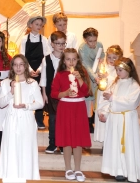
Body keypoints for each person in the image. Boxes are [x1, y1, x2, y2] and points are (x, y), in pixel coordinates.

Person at [0, 54, 43, 181]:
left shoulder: (32, 83)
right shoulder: (6, 83)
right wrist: (11, 92)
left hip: (26, 118)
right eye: (15, 64)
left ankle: (27, 177)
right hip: (11, 119)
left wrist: (27, 105)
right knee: (11, 149)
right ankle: (10, 178)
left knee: (26, 149)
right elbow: (1, 103)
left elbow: (40, 103)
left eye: (21, 64)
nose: (18, 67)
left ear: (25, 66)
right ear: (12, 67)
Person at [98, 57, 140, 182]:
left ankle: (129, 171)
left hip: (126, 120)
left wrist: (113, 98)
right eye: (117, 70)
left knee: (126, 145)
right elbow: (107, 99)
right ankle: (118, 171)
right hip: (114, 120)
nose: (117, 73)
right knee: (115, 145)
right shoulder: (115, 83)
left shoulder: (134, 85)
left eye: (120, 70)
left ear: (129, 70)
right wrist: (104, 113)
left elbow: (131, 103)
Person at [51, 48, 92, 182]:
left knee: (78, 139)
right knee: (67, 139)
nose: (71, 61)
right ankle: (68, 168)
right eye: (68, 59)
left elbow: (86, 92)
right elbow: (54, 93)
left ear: (78, 60)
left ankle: (78, 169)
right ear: (64, 60)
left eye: (74, 59)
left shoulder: (82, 72)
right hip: (65, 107)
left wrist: (80, 79)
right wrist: (65, 93)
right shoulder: (60, 74)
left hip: (79, 108)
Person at [20, 16, 50, 129]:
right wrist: (30, 70)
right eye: (36, 24)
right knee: (27, 94)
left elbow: (46, 56)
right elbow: (22, 56)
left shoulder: (44, 39)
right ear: (31, 25)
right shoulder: (24, 39)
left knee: (39, 95)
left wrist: (40, 70)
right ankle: (26, 119)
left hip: (40, 70)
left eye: (40, 25)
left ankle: (39, 119)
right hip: (27, 70)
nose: (39, 27)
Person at [39, 31, 67, 154]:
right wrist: (44, 94)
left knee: (63, 120)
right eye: (58, 43)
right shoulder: (46, 59)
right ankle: (53, 143)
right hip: (51, 93)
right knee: (52, 119)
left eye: (63, 44)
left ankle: (62, 144)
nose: (61, 46)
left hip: (65, 93)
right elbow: (44, 78)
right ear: (52, 44)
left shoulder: (67, 59)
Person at [93, 45, 123, 143]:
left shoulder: (119, 69)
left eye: (114, 58)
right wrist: (98, 78)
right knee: (100, 116)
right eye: (109, 57)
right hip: (102, 94)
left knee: (108, 118)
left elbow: (117, 81)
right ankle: (101, 139)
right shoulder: (104, 66)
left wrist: (107, 77)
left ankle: (108, 142)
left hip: (110, 97)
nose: (111, 60)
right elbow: (98, 77)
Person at [78, 27, 105, 133]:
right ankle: (88, 123)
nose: (93, 44)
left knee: (97, 98)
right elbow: (86, 65)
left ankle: (95, 119)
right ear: (85, 40)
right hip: (87, 75)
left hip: (97, 73)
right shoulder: (82, 48)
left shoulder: (100, 45)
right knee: (88, 98)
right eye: (90, 41)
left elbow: (102, 55)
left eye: (95, 41)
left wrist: (101, 62)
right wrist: (94, 77)